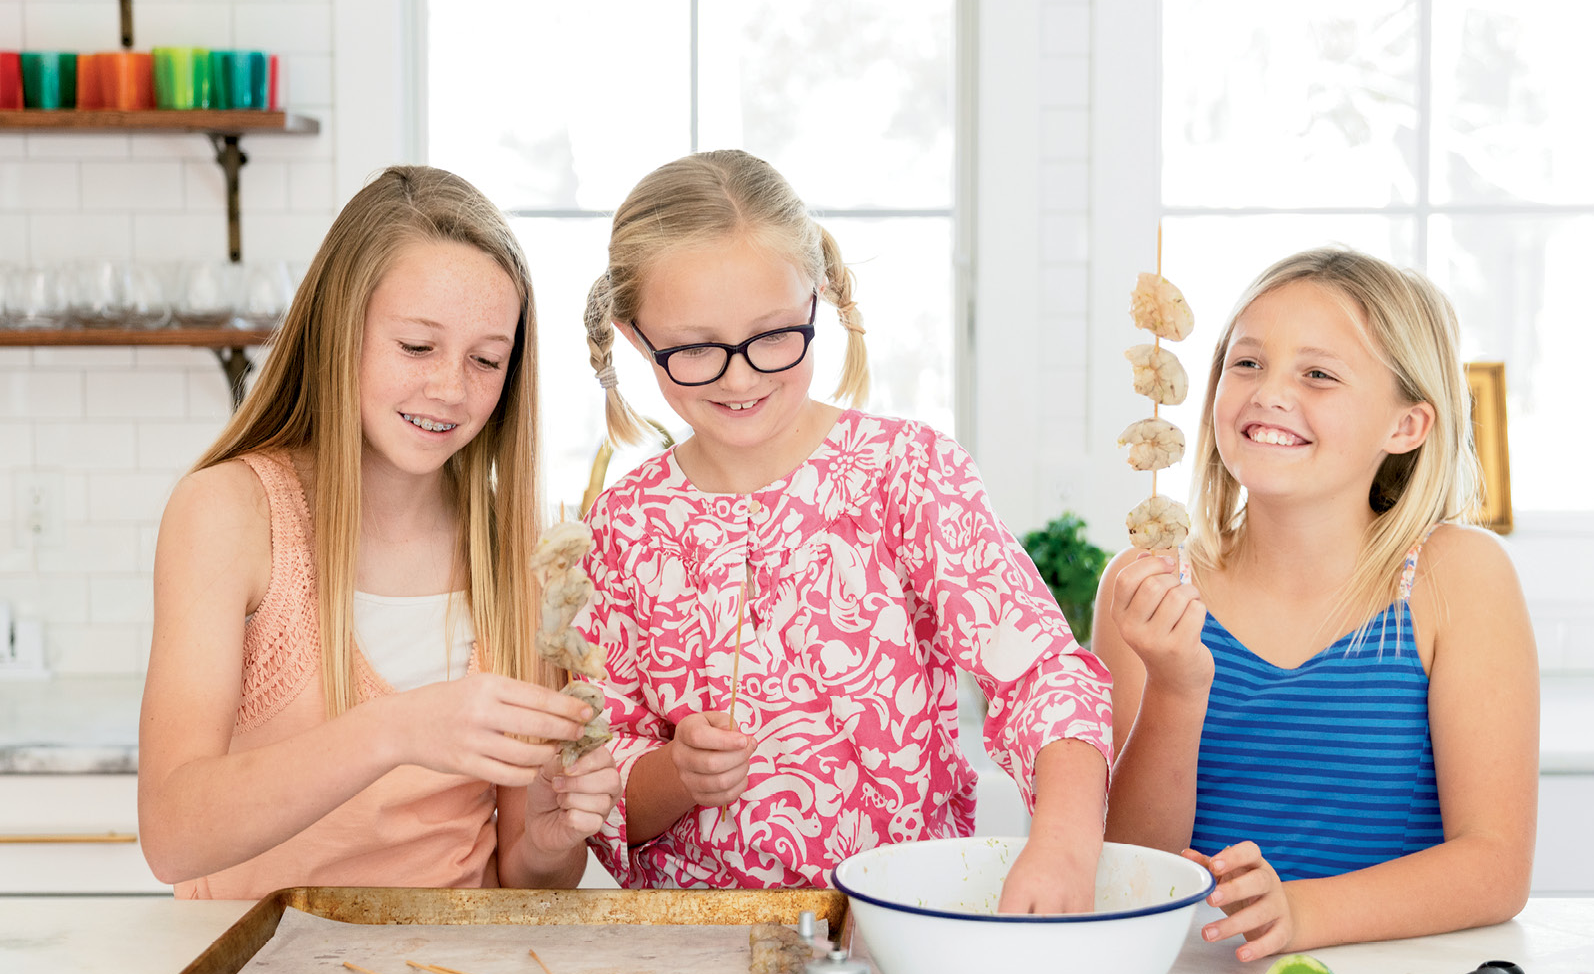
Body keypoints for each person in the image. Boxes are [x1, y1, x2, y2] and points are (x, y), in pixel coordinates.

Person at [574, 150, 1111, 912]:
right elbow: (603, 780)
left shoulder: (907, 474)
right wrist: (677, 774)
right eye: (694, 348)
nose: (739, 377)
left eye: (773, 335)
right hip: (698, 945)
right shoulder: (622, 526)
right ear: (636, 337)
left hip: (899, 932)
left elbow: (1043, 675)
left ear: (817, 298)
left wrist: (1062, 845)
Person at [138, 166, 621, 898]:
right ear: (340, 331)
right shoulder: (229, 514)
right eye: (417, 347)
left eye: (486, 360)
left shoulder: (518, 549)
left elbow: (525, 879)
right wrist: (396, 730)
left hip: (455, 962)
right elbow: (173, 838)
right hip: (262, 957)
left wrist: (552, 842)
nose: (451, 389)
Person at [1096, 247, 1537, 960]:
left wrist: (1299, 912)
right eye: (1247, 363)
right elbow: (1126, 870)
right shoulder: (1148, 585)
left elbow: (1495, 865)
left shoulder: (1456, 578)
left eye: (1318, 374)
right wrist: (1175, 690)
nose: (1268, 393)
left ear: (1406, 426)